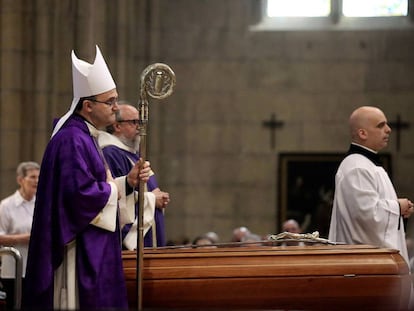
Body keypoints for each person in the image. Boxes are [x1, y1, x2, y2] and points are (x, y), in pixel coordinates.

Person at [22, 46, 155, 310]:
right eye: (111, 101)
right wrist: (115, 190)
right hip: (78, 250)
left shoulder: (86, 135)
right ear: (88, 105)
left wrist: (126, 182)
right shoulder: (72, 139)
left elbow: (96, 187)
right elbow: (79, 197)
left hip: (93, 245)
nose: (116, 108)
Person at [328, 106, 414, 266]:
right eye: (381, 125)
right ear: (362, 133)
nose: (388, 130)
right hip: (364, 266)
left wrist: (398, 213)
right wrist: (397, 207)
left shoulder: (367, 165)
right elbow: (366, 217)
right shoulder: (357, 168)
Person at [98, 102, 170, 248]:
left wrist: (159, 196)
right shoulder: (111, 154)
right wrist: (152, 199)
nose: (139, 127)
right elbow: (116, 196)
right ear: (117, 126)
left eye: (140, 122)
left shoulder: (133, 155)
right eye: (134, 122)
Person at [0, 161, 40, 310]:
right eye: (32, 177)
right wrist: (24, 238)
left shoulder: (41, 204)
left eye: (39, 177)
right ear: (20, 180)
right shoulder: (6, 206)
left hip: (36, 268)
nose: (36, 181)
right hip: (13, 271)